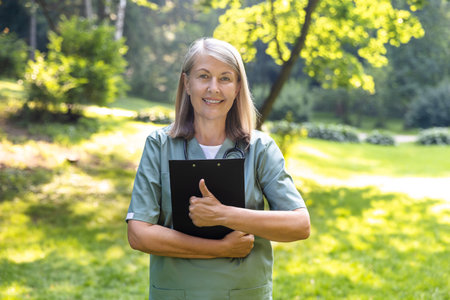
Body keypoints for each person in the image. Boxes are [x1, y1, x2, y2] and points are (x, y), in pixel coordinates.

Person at [126, 37, 310, 300]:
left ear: (237, 88)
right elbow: (139, 235)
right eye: (203, 76)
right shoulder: (159, 146)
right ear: (187, 83)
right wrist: (220, 248)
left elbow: (299, 225)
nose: (214, 88)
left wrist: (224, 215)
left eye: (225, 78)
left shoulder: (259, 148)